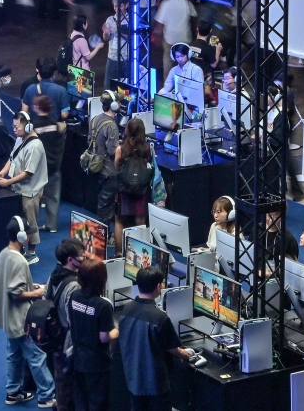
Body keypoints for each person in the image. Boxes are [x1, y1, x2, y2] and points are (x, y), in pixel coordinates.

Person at [0, 216, 56, 407]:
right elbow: (16, 294)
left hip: (7, 315)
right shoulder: (19, 261)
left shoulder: (5, 254)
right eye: (27, 232)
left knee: (14, 354)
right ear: (21, 236)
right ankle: (46, 396)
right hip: (20, 319)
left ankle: (13, 392)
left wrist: (28, 285)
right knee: (36, 356)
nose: (29, 235)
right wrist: (36, 292)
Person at [119, 265, 197, 411]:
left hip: (133, 379)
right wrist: (188, 354)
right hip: (155, 383)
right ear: (158, 287)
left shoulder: (127, 308)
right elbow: (174, 349)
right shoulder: (160, 317)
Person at [0, 112, 48, 264]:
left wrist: (8, 182)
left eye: (16, 126)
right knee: (20, 221)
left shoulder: (35, 146)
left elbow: (28, 173)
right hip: (18, 188)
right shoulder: (20, 139)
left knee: (31, 222)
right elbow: (12, 158)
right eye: (13, 126)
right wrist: (3, 172)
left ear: (28, 126)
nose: (14, 129)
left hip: (30, 190)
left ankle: (32, 252)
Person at [69, 257, 118, 411]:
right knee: (98, 403)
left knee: (82, 401)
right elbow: (104, 337)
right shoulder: (103, 305)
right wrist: (117, 330)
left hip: (78, 358)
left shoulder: (74, 296)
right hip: (97, 363)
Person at [45, 239, 84, 411]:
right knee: (66, 380)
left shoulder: (54, 273)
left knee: (60, 377)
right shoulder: (74, 285)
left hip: (53, 335)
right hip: (66, 340)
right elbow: (72, 318)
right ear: (70, 259)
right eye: (81, 255)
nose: (85, 257)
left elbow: (45, 298)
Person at [114, 117, 153, 254]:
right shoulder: (148, 149)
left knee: (120, 220)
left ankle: (118, 253)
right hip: (141, 191)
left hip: (124, 190)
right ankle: (139, 255)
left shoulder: (121, 149)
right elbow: (151, 167)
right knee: (140, 222)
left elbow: (116, 168)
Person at [31, 95, 67, 233]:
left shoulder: (34, 127)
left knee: (33, 198)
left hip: (38, 168)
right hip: (54, 167)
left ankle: (32, 226)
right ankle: (52, 226)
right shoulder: (56, 126)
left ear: (37, 107)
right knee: (53, 197)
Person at [90, 91, 121, 241]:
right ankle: (103, 237)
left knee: (102, 201)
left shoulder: (95, 119)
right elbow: (112, 151)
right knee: (106, 204)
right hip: (109, 170)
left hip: (96, 167)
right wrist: (121, 148)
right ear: (114, 105)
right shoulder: (112, 126)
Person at [154, 0, 196, 81]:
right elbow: (194, 18)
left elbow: (159, 25)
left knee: (167, 62)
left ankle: (167, 85)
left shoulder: (165, 4)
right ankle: (185, 84)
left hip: (170, 39)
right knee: (185, 64)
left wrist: (158, 38)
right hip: (185, 39)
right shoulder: (187, 3)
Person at [102, 0, 128, 89]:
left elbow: (133, 39)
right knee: (108, 86)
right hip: (112, 57)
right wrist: (106, 33)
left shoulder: (131, 20)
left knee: (125, 87)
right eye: (115, 6)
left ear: (126, 5)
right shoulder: (110, 19)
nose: (117, 9)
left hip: (126, 58)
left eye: (120, 6)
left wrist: (120, 30)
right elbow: (106, 39)